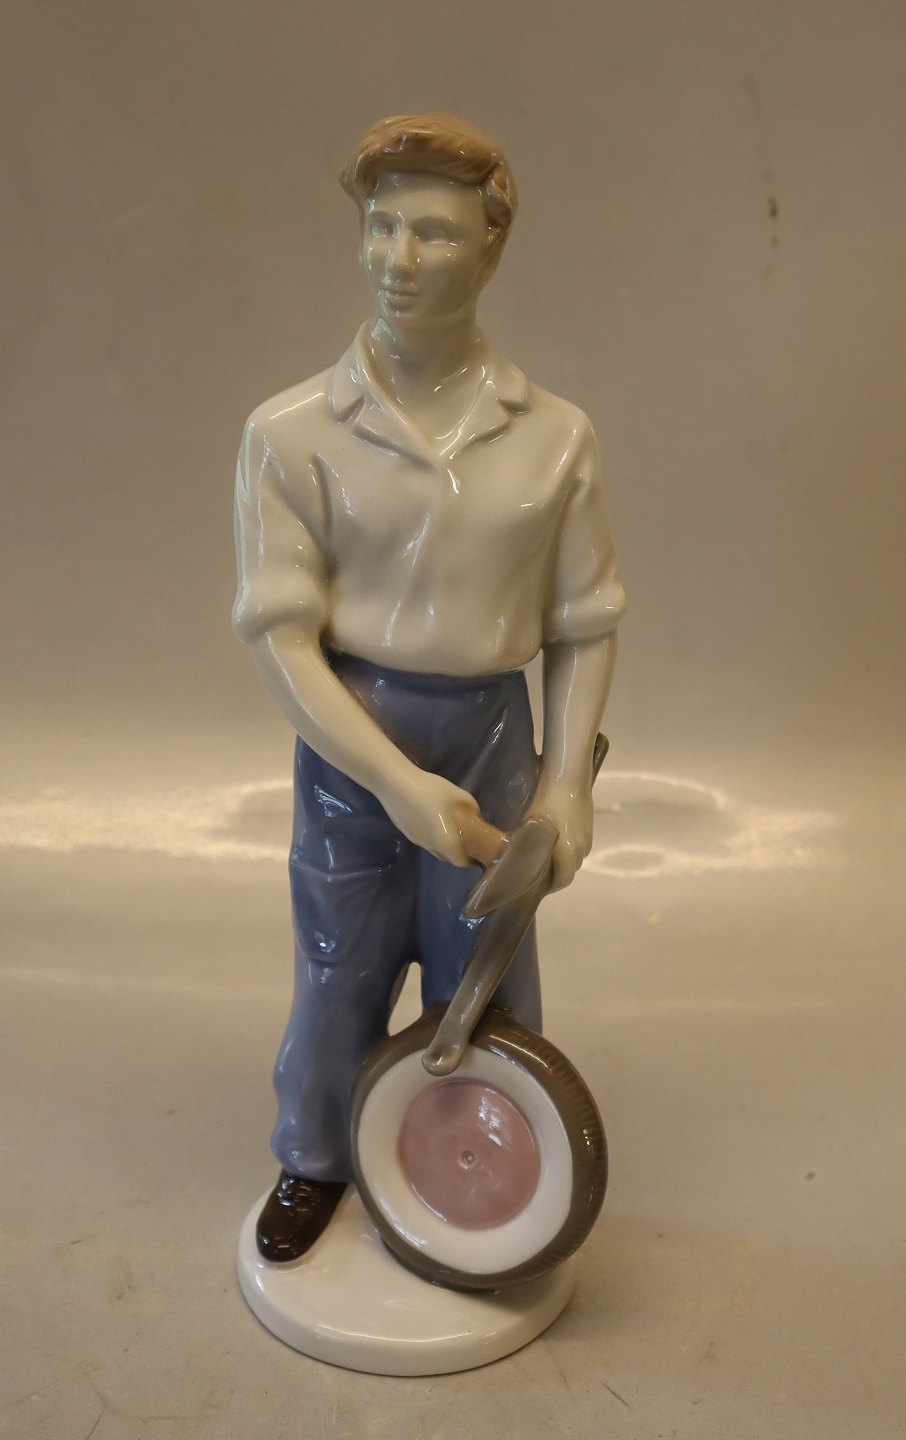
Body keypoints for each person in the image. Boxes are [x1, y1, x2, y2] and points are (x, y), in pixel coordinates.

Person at [233, 113, 625, 1263]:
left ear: (491, 248)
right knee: (338, 964)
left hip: (492, 732)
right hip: (353, 740)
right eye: (381, 226)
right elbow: (281, 641)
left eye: (436, 234)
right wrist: (397, 783)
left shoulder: (554, 439)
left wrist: (566, 786)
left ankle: (477, 1186)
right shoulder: (291, 434)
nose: (398, 259)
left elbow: (585, 623)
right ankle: (315, 1154)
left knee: (487, 978)